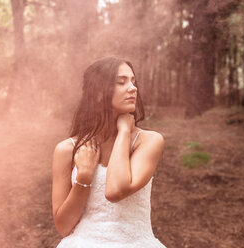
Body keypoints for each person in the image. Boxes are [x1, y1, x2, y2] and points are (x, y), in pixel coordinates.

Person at [52, 57, 166, 247]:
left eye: (133, 81)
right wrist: (84, 177)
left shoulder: (149, 141)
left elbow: (115, 190)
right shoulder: (66, 150)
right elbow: (63, 227)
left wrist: (123, 132)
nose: (132, 88)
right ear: (98, 92)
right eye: (121, 82)